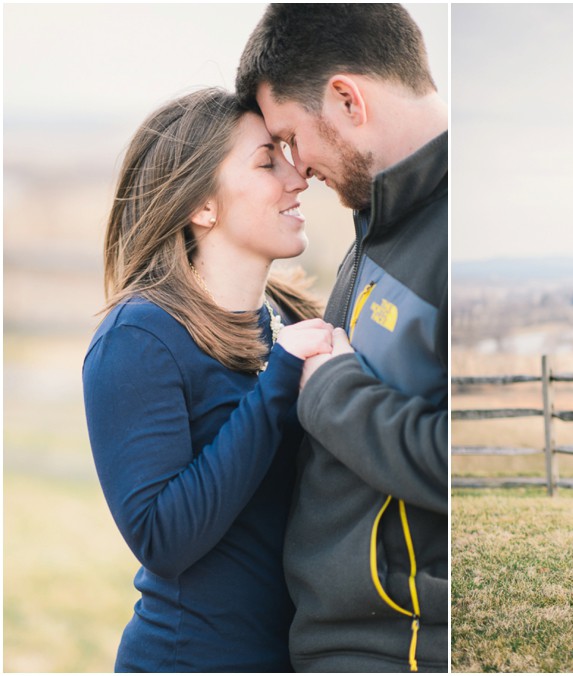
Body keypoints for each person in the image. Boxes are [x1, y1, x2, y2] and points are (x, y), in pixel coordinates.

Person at [82, 88, 336, 671]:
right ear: (202, 205)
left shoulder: (295, 319)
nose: (297, 178)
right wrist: (281, 381)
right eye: (266, 161)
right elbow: (162, 539)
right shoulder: (140, 337)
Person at [236, 4, 448, 672]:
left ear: (348, 100)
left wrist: (330, 391)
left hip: (398, 649)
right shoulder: (381, 217)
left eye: (292, 138)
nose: (297, 170)